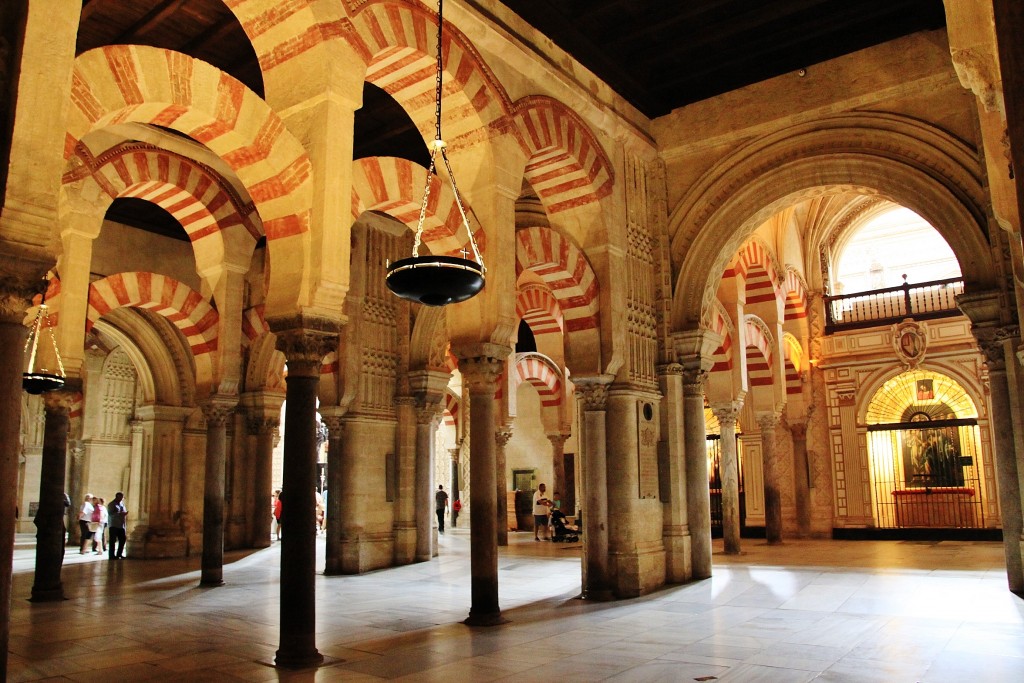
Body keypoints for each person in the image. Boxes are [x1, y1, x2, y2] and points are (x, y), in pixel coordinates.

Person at [107, 492, 128, 560]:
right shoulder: (111, 504)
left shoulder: (122, 504)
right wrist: (120, 514)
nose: (122, 499)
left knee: (123, 539)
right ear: (117, 496)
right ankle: (111, 555)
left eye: (122, 497)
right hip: (114, 525)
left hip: (121, 525)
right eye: (121, 497)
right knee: (112, 541)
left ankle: (119, 554)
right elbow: (110, 514)